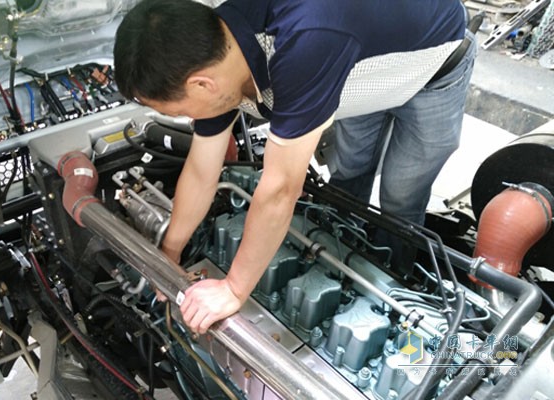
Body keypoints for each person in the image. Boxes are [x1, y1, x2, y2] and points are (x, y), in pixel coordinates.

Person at [113, 0, 476, 334]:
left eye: (178, 111)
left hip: (432, 68)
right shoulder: (217, 46)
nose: (187, 118)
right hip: (357, 70)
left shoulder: (305, 43)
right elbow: (202, 167)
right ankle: (345, 252)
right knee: (349, 172)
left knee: (399, 196)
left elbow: (282, 188)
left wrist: (234, 289)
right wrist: (171, 250)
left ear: (202, 83)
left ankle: (394, 285)